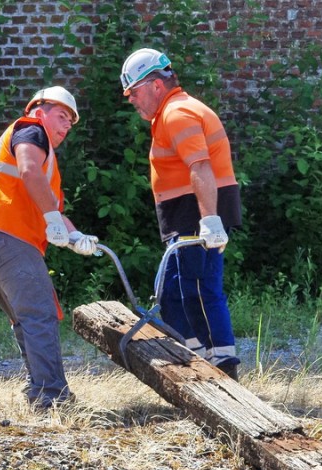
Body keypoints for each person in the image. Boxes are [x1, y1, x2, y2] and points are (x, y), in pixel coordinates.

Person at [0, 86, 99, 409]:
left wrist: (75, 236)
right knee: (39, 315)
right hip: (5, 237)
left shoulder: (43, 157)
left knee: (26, 318)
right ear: (39, 110)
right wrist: (51, 219)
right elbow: (28, 169)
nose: (66, 126)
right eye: (61, 116)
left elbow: (53, 209)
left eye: (70, 122)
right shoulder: (31, 130)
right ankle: (52, 398)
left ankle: (39, 391)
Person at [120, 49, 242, 380]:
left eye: (133, 92)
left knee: (199, 289)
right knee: (173, 292)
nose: (131, 99)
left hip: (194, 212)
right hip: (187, 212)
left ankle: (221, 364)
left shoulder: (177, 113)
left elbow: (200, 166)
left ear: (155, 85)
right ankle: (194, 356)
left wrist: (209, 219)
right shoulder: (173, 112)